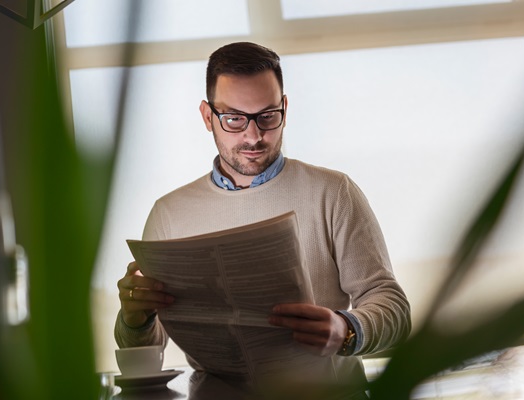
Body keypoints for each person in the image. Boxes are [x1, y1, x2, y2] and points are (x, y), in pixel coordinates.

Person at [114, 42, 411, 395]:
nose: (253, 136)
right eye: (235, 118)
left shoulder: (333, 192)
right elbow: (145, 354)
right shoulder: (168, 213)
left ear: (284, 107)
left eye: (267, 116)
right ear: (208, 117)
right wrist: (135, 319)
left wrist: (345, 329)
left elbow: (393, 308)